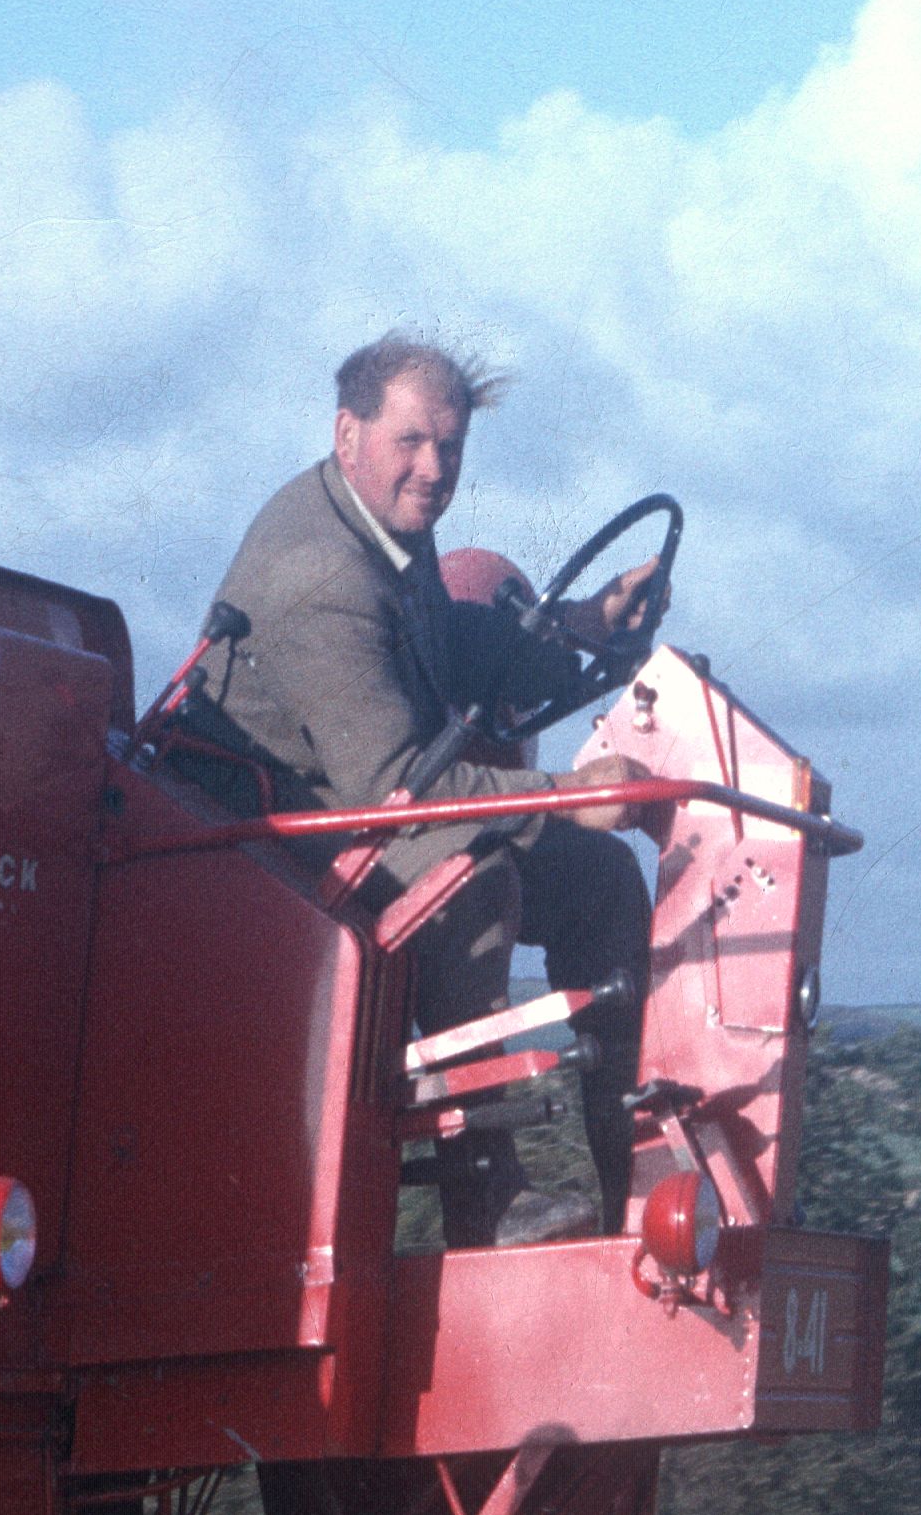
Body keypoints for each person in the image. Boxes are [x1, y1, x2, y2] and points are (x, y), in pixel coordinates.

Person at [181, 331, 659, 1243]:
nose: (434, 469)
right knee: (471, 882)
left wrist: (585, 623)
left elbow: (450, 646)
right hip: (263, 838)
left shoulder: (390, 528)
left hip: (347, 797)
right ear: (347, 432)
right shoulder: (321, 571)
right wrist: (567, 792)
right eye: (411, 442)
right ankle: (489, 1198)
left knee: (601, 881)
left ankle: (632, 1186)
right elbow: (394, 782)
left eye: (450, 448)